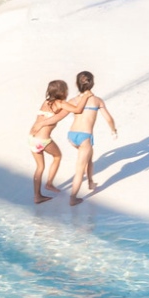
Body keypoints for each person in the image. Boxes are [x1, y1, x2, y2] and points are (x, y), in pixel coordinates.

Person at [64, 70, 118, 205]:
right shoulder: (97, 101)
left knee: (89, 157)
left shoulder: (73, 100)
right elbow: (109, 119)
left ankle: (91, 182)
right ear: (92, 83)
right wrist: (113, 130)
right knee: (79, 169)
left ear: (77, 84)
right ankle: (73, 198)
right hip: (85, 136)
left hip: (72, 135)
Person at [29, 79, 71, 202]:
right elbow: (75, 109)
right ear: (63, 92)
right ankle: (49, 184)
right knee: (57, 156)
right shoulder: (60, 104)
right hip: (43, 140)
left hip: (32, 138)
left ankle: (37, 196)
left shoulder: (46, 102)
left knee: (40, 167)